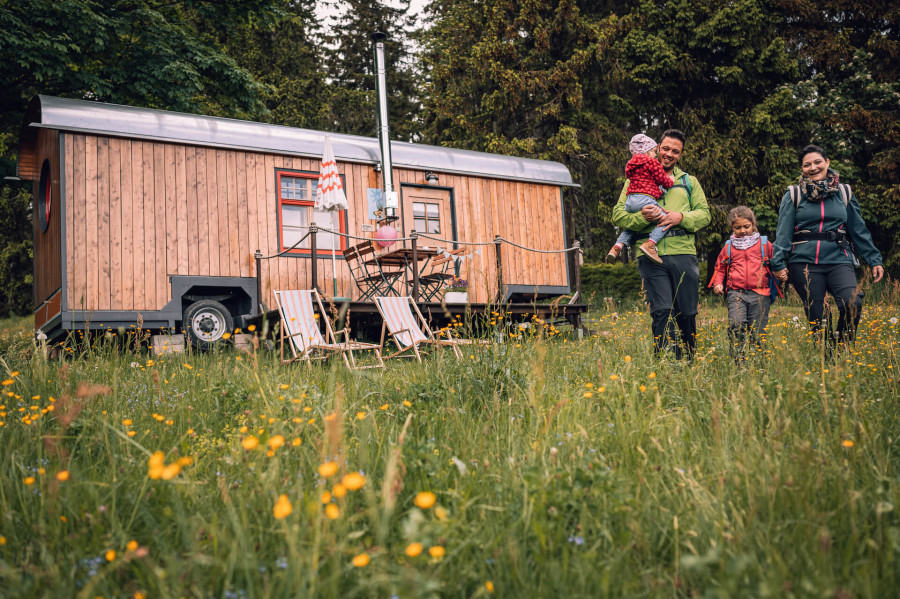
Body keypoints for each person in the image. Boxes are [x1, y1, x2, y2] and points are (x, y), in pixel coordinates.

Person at [771, 144, 884, 349]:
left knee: (853, 304)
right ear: (802, 169)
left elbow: (858, 230)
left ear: (827, 163)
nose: (813, 168)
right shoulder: (794, 194)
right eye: (807, 165)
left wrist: (874, 259)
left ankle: (842, 350)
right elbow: (783, 232)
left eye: (817, 162)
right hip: (803, 262)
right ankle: (827, 359)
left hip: (839, 259)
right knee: (819, 317)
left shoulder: (844, 192)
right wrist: (778, 263)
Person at [612, 129, 711, 360]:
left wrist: (681, 218)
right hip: (649, 255)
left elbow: (705, 215)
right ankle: (667, 363)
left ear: (680, 154)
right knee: (661, 311)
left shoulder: (689, 181)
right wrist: (641, 218)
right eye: (665, 149)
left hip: (683, 252)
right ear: (658, 148)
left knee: (686, 312)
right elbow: (618, 215)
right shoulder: (634, 178)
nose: (669, 154)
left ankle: (689, 360)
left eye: (675, 151)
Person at [709, 206, 774, 362]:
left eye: (746, 226)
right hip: (736, 293)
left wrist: (781, 273)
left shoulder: (765, 245)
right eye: (738, 227)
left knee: (758, 330)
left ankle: (760, 362)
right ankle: (738, 361)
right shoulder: (729, 247)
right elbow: (720, 268)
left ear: (753, 224)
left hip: (761, 293)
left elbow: (776, 263)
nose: (743, 230)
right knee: (736, 324)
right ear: (732, 227)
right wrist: (718, 283)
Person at [606, 134, 675, 264]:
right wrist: (670, 181)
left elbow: (641, 182)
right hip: (644, 200)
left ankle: (617, 247)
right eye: (654, 151)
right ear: (647, 150)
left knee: (631, 228)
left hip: (630, 201)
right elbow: (662, 180)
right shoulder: (652, 162)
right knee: (666, 220)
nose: (656, 154)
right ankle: (650, 244)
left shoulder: (631, 164)